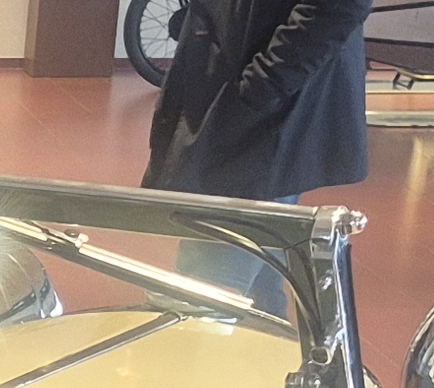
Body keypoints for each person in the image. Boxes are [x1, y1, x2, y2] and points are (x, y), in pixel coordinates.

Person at [144, 0, 374, 310]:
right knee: (256, 287)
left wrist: (265, 82)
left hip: (266, 107)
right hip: (243, 89)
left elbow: (337, 7)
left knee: (204, 296)